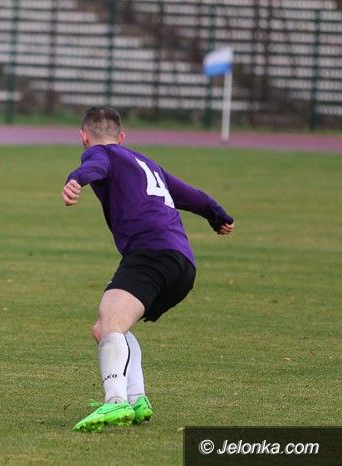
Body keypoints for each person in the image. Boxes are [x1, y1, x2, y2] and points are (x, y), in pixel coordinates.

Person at [61, 106, 234, 432]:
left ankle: (115, 401)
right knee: (105, 328)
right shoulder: (147, 163)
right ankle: (136, 398)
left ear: (83, 137)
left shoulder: (100, 153)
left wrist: (75, 180)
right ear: (122, 137)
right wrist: (218, 216)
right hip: (182, 265)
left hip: (151, 254)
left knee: (111, 322)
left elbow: (95, 165)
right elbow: (192, 195)